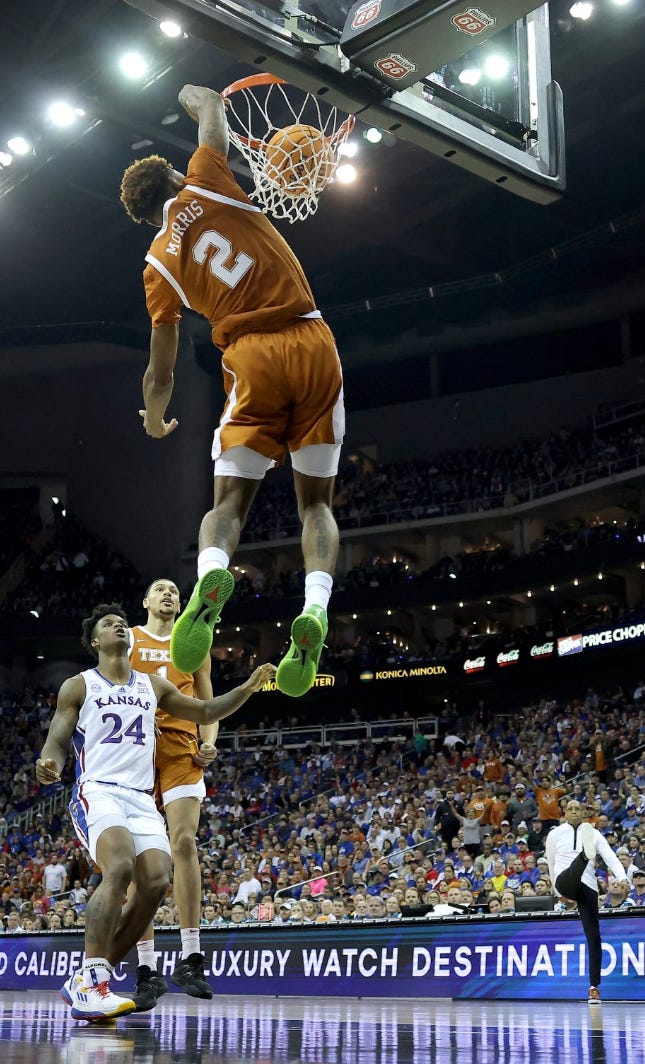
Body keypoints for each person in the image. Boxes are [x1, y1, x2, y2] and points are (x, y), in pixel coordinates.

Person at [120, 83, 344, 698]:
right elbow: (212, 109)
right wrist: (194, 95)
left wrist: (154, 419)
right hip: (311, 341)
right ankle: (316, 607)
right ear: (173, 175)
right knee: (316, 504)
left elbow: (161, 373)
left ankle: (212, 578)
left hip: (250, 358)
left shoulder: (157, 267)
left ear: (145, 216)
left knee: (228, 506)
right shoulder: (204, 177)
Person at [35, 602, 273, 1020]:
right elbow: (58, 737)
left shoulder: (153, 685)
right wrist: (49, 762)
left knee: (157, 881)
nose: (119, 626)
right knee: (120, 867)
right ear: (96, 641)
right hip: (99, 791)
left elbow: (205, 711)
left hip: (142, 797)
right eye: (109, 624)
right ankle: (92, 980)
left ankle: (90, 979)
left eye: (122, 623)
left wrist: (248, 688)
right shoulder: (79, 685)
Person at [128, 578, 217, 1006]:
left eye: (174, 591)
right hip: (136, 750)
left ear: (181, 604)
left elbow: (207, 701)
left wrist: (209, 740)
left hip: (182, 746)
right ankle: (147, 969)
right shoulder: (128, 638)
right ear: (146, 600)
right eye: (159, 589)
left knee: (184, 842)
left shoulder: (194, 641)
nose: (168, 594)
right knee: (141, 860)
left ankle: (191, 956)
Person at [544, 800, 629, 1004]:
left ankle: (594, 987)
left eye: (578, 809)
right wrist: (557, 892)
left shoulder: (594, 833)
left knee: (594, 936)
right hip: (564, 881)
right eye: (570, 809)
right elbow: (551, 863)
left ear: (583, 812)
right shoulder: (555, 834)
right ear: (565, 813)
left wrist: (623, 878)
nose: (574, 811)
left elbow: (610, 857)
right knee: (570, 873)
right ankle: (584, 856)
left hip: (588, 887)